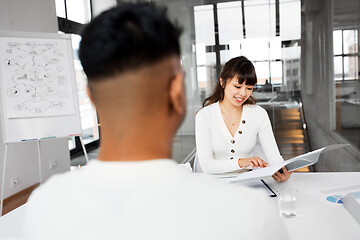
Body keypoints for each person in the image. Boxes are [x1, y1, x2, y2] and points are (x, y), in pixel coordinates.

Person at [23, 3, 288, 240]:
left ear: (90, 95)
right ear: (177, 91)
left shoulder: (43, 207)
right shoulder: (251, 215)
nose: (243, 93)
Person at [195, 56, 291, 182]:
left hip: (248, 183)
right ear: (222, 82)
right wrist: (241, 162)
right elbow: (207, 165)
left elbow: (275, 158)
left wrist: (281, 170)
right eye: (237, 86)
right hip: (213, 185)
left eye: (249, 88)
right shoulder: (204, 116)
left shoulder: (259, 114)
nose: (243, 93)